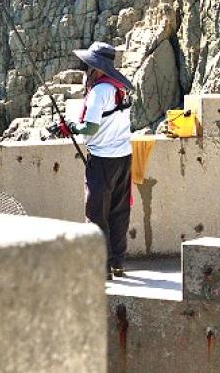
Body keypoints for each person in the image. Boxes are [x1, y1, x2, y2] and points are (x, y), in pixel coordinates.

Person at [56, 41, 134, 279]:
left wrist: (71, 127)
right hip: (124, 157)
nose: (85, 71)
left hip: (102, 159)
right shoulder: (119, 88)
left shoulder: (99, 92)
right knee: (119, 211)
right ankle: (117, 262)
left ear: (95, 68)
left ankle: (101, 266)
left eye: (87, 66)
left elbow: (90, 128)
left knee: (96, 213)